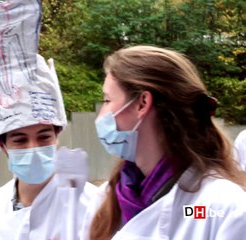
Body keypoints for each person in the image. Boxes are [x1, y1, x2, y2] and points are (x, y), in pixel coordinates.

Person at [81, 45, 246, 239]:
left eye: (108, 100)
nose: (101, 115)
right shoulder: (105, 199)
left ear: (142, 103)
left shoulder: (220, 208)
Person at [0, 1, 96, 239]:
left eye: (43, 137)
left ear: (57, 136)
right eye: (20, 140)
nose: (34, 148)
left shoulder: (90, 204)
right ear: (3, 146)